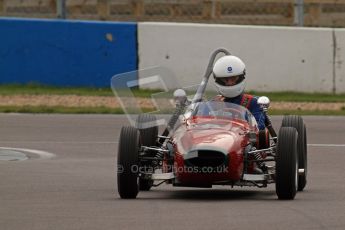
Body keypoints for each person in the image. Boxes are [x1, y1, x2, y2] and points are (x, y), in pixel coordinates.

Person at [212, 55, 266, 130]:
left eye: (233, 78)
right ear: (218, 80)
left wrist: (239, 115)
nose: (230, 83)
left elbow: (259, 127)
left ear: (241, 77)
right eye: (225, 79)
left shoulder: (253, 102)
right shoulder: (212, 104)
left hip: (244, 139)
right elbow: (201, 126)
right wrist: (218, 111)